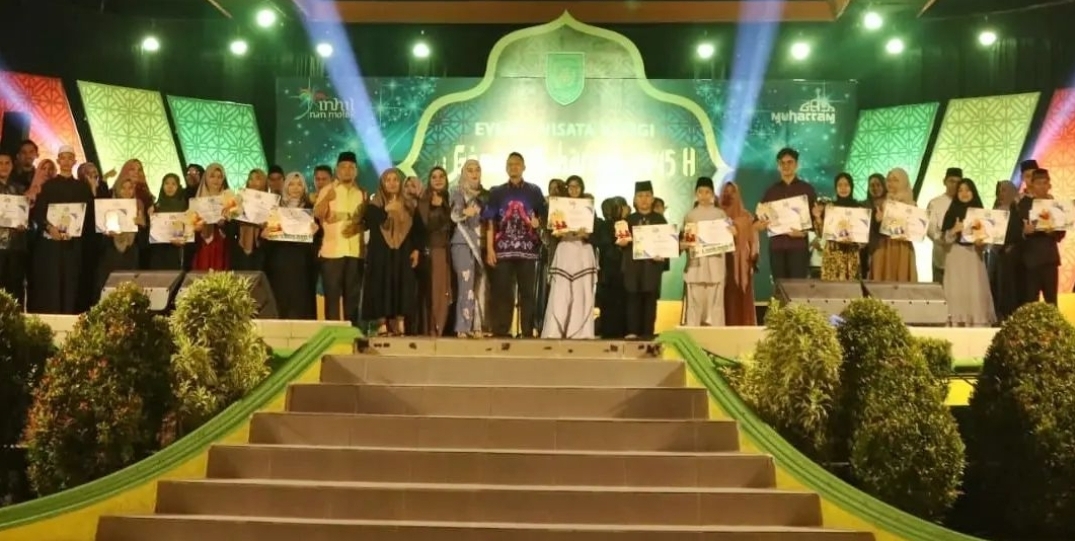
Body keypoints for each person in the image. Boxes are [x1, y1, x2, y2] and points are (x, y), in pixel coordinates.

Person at [481, 152, 545, 338]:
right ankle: (502, 331)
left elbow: (544, 215)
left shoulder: (534, 190)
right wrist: (490, 249)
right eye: (510, 164)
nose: (514, 167)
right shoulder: (497, 192)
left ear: (524, 167)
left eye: (517, 164)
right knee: (502, 292)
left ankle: (527, 331)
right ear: (506, 168)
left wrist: (538, 222)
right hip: (503, 250)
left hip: (528, 250)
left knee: (527, 293)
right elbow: (490, 221)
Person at [29, 145, 94, 314]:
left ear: (74, 161)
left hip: (73, 245)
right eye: (63, 158)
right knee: (52, 283)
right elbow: (39, 212)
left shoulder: (82, 188)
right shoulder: (48, 186)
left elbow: (89, 216)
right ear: (58, 161)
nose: (66, 161)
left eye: (69, 158)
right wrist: (50, 228)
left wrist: (76, 230)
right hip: (52, 246)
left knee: (72, 283)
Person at [362, 168, 423, 336]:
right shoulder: (375, 204)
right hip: (380, 252)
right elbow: (370, 222)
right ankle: (382, 325)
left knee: (402, 284)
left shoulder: (409, 205)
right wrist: (388, 209)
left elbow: (418, 229)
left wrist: (417, 250)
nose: (392, 183)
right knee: (380, 284)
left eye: (395, 179)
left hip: (403, 251)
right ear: (382, 183)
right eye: (387, 180)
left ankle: (400, 323)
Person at [542, 175, 597, 339]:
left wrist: (586, 235)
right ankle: (556, 330)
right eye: (571, 186)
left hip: (583, 251)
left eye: (577, 186)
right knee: (560, 292)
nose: (574, 189)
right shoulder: (559, 206)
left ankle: (580, 332)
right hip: (564, 249)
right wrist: (556, 231)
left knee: (582, 291)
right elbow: (549, 231)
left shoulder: (588, 207)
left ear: (582, 188)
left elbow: (597, 232)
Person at [314, 151, 367, 324]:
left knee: (353, 297)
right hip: (332, 252)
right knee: (332, 297)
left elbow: (366, 221)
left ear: (356, 171)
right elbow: (317, 214)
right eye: (343, 167)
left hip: (356, 251)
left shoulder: (362, 193)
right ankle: (333, 333)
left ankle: (352, 332)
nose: (347, 170)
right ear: (337, 170)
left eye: (351, 167)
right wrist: (326, 199)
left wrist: (355, 224)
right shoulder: (328, 190)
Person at [755, 147, 817, 281]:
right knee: (780, 286)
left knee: (798, 287)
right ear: (778, 166)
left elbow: (815, 222)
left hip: (798, 247)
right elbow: (757, 222)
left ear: (796, 164)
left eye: (790, 162)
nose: (786, 166)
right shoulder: (771, 192)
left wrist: (803, 233)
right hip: (777, 247)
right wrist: (760, 224)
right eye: (782, 163)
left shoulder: (807, 190)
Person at [941, 179, 996, 326]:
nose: (964, 193)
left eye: (967, 190)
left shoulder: (981, 213)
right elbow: (944, 241)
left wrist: (982, 243)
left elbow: (987, 242)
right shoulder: (952, 212)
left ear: (973, 192)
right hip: (955, 256)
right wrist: (954, 230)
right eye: (960, 190)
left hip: (973, 257)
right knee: (956, 289)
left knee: (975, 289)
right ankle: (956, 322)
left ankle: (976, 323)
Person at [1007, 168, 1065, 306]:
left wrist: (1052, 232)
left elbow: (1061, 233)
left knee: (1052, 302)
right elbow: (1011, 232)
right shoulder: (1022, 204)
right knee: (1030, 302)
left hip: (1050, 259)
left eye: (1045, 183)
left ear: (1049, 185)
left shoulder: (1055, 204)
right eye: (1038, 183)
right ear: (1031, 185)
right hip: (1028, 260)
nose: (1042, 186)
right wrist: (1024, 231)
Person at [264, 172, 318, 319]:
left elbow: (317, 240)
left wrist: (315, 231)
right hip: (281, 259)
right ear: (286, 186)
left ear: (304, 187)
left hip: (301, 260)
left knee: (300, 298)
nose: (295, 188)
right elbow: (270, 238)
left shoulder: (310, 208)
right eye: (291, 184)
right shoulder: (276, 207)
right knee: (281, 296)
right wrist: (266, 234)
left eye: (299, 184)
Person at [619, 181, 667, 339]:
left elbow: (667, 244)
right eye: (640, 196)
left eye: (647, 195)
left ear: (652, 198)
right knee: (632, 302)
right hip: (633, 268)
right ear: (634, 199)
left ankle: (647, 337)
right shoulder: (628, 220)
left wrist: (663, 254)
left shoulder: (660, 220)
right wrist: (621, 243)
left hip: (651, 268)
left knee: (650, 305)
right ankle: (632, 334)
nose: (644, 199)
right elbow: (620, 243)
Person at [681, 177, 728, 326]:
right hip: (696, 265)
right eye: (700, 192)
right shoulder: (690, 215)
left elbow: (730, 234)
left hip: (715, 263)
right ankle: (693, 334)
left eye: (707, 192)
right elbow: (684, 239)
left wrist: (732, 231)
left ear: (712, 194)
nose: (704, 195)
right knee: (694, 306)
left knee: (716, 306)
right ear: (696, 194)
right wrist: (685, 244)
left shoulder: (721, 214)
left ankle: (717, 335)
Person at [449, 159, 488, 338]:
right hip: (463, 242)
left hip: (481, 244)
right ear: (464, 173)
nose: (474, 173)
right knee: (465, 285)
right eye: (470, 170)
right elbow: (454, 215)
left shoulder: (485, 196)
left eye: (477, 170)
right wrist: (465, 212)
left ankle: (477, 326)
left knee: (480, 286)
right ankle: (463, 326)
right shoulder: (457, 192)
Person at [417, 166, 453, 336]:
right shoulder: (424, 201)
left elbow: (454, 224)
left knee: (446, 291)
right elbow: (425, 227)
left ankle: (444, 328)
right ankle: (432, 328)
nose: (438, 180)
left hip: (449, 251)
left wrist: (444, 206)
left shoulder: (451, 199)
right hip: (432, 251)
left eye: (441, 176)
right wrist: (436, 207)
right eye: (434, 177)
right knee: (434, 291)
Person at [95, 177, 147, 295]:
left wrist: (142, 226)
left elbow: (144, 243)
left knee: (129, 293)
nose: (127, 191)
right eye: (123, 188)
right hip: (111, 256)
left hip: (131, 256)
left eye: (130, 188)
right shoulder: (106, 208)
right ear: (117, 189)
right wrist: (107, 234)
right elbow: (98, 243)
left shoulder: (139, 207)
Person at [870, 168, 918, 282]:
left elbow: (916, 231)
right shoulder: (883, 203)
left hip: (903, 248)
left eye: (895, 180)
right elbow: (875, 231)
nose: (890, 183)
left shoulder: (912, 205)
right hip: (883, 247)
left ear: (903, 182)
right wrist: (878, 221)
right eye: (888, 180)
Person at [721, 181, 758, 326]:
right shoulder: (717, 216)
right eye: (726, 191)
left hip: (741, 264)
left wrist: (737, 231)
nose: (729, 195)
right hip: (721, 261)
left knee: (739, 297)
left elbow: (753, 240)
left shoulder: (746, 216)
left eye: (732, 192)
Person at [817, 172, 863, 281]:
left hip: (851, 253)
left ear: (851, 187)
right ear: (835, 188)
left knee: (850, 287)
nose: (843, 188)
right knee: (832, 286)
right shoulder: (829, 207)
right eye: (840, 185)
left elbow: (863, 236)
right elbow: (821, 233)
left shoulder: (859, 208)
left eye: (846, 185)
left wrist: (855, 241)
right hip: (832, 253)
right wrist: (818, 217)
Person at [594, 196, 628, 338]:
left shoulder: (627, 224)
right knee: (609, 308)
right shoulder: (604, 226)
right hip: (609, 273)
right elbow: (606, 246)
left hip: (624, 273)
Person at [190, 163, 232, 271]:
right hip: (202, 244)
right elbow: (190, 226)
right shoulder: (197, 199)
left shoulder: (229, 199)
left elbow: (235, 228)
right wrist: (196, 227)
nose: (216, 180)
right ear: (206, 178)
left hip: (221, 243)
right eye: (212, 176)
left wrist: (224, 224)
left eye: (219, 177)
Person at [988, 180, 1019, 320]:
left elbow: (1018, 233)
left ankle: (1007, 316)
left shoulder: (1017, 209)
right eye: (1000, 190)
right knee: (993, 283)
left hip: (1009, 255)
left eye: (1005, 190)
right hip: (993, 252)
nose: (1001, 193)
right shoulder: (995, 209)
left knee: (1007, 286)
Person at [0, 151, 27, 307]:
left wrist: (24, 224)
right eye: (0, 163)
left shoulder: (20, 189)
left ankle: (17, 318)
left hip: (16, 246)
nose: (3, 167)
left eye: (7, 163)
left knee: (15, 288)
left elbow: (26, 216)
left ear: (12, 165)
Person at [926, 167, 962, 283]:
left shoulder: (965, 203)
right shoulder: (935, 203)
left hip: (961, 259)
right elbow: (930, 229)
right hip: (941, 256)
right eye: (951, 181)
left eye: (958, 182)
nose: (955, 185)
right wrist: (945, 238)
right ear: (944, 182)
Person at [148, 173, 190, 271]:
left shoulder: (185, 207)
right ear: (162, 186)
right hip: (158, 251)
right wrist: (149, 215)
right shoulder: (155, 206)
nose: (170, 187)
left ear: (178, 187)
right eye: (166, 183)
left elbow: (189, 230)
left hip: (176, 250)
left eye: (173, 184)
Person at [861, 173, 886, 279]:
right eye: (872, 185)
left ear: (884, 186)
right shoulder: (862, 205)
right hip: (867, 250)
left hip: (886, 248)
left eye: (878, 185)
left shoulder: (891, 205)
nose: (875, 188)